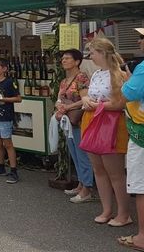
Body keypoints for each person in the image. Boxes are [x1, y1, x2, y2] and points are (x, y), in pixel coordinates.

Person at [81, 37, 130, 226]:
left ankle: (124, 213)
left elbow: (121, 103)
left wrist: (95, 105)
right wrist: (86, 100)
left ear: (101, 53)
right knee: (99, 170)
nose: (90, 56)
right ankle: (107, 209)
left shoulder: (119, 74)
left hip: (111, 123)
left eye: (92, 53)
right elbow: (89, 95)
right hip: (93, 121)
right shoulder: (97, 74)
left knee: (115, 173)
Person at [54, 49, 93, 203]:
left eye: (68, 58)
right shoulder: (64, 80)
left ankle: (87, 188)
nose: (64, 60)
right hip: (69, 122)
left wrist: (67, 108)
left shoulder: (81, 77)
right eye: (63, 58)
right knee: (74, 153)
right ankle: (81, 184)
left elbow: (85, 99)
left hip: (79, 120)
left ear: (77, 61)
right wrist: (59, 107)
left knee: (82, 154)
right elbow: (59, 98)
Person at [118, 28, 144, 250]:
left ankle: (142, 237)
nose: (139, 41)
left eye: (143, 38)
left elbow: (129, 94)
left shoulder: (143, 69)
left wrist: (128, 79)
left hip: (141, 133)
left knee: (141, 186)